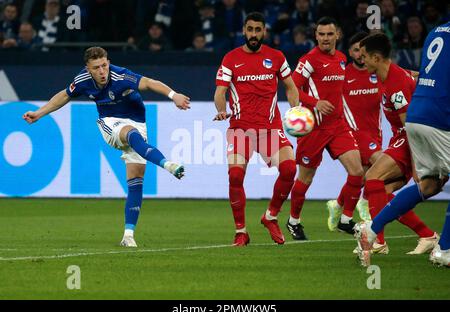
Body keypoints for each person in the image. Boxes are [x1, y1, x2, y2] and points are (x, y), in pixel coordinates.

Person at [23, 47, 190, 248]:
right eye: (96, 68)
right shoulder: (83, 79)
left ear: (108, 63)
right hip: (109, 123)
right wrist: (39, 113)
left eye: (104, 65)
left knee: (136, 180)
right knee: (131, 134)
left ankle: (128, 235)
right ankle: (167, 164)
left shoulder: (121, 75)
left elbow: (148, 83)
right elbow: (65, 95)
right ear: (88, 68)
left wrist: (174, 95)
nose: (102, 71)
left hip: (138, 121)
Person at [355, 23, 450, 267]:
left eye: (364, 56)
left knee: (421, 185)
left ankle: (375, 235)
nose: (359, 59)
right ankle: (439, 244)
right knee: (381, 186)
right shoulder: (391, 79)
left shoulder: (435, 33)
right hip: (432, 120)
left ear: (377, 57)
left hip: (415, 124)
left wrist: (417, 162)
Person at [214, 12, 299, 246]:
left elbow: (291, 87)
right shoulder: (231, 58)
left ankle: (270, 216)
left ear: (264, 31)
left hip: (270, 129)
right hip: (241, 128)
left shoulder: (277, 57)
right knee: (235, 175)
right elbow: (220, 92)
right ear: (244, 30)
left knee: (290, 169)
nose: (253, 34)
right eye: (249, 29)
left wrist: (296, 109)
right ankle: (241, 231)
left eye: (257, 30)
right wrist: (221, 109)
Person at [290, 17, 365, 240]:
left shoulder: (342, 59)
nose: (325, 38)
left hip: (337, 126)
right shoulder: (309, 60)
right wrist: (315, 103)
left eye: (329, 34)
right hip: (313, 129)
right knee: (306, 178)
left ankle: (345, 220)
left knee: (358, 172)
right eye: (321, 34)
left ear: (337, 35)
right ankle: (294, 221)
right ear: (316, 36)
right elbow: (293, 88)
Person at [326, 31, 379, 234]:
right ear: (349, 52)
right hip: (354, 132)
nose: (360, 54)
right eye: (356, 50)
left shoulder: (377, 72)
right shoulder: (343, 74)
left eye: (363, 51)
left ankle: (338, 205)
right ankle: (362, 205)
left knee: (361, 176)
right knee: (380, 165)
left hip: (375, 133)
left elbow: (400, 75)